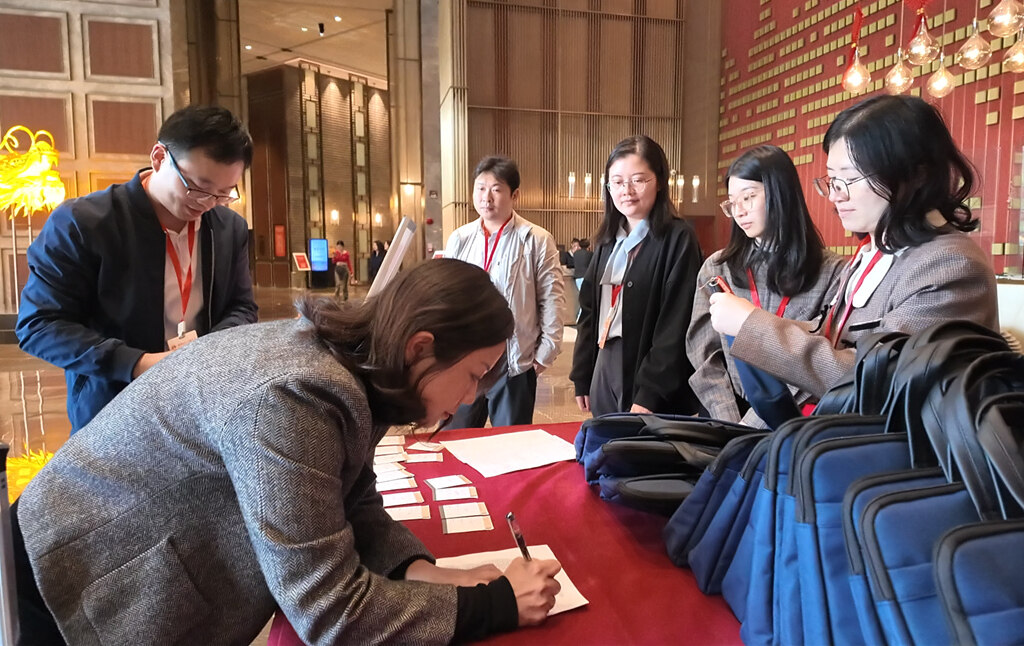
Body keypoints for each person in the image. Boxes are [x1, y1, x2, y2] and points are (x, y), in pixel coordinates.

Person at [13, 259, 562, 645]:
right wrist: (495, 606)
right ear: (420, 347)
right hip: (69, 583)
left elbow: (352, 497)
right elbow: (331, 611)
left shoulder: (350, 367)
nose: (469, 398)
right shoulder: (296, 396)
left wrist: (421, 572)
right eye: (473, 375)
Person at [710, 95, 999, 397]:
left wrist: (752, 325)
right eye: (832, 181)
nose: (836, 196)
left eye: (848, 179)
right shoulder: (874, 251)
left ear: (915, 175)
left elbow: (876, 382)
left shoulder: (949, 265)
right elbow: (830, 335)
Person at [16, 105, 258, 433]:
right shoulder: (83, 223)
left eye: (223, 194)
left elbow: (242, 307)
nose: (206, 203)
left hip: (201, 403)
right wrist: (139, 364)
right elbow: (40, 325)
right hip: (112, 408)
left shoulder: (229, 228)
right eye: (197, 187)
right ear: (159, 157)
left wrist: (205, 354)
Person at [686, 145, 844, 427]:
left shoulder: (831, 271)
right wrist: (729, 423)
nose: (739, 211)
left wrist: (754, 424)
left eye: (748, 197)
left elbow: (817, 360)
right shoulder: (717, 267)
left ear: (780, 194)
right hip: (727, 415)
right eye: (732, 202)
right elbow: (704, 354)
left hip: (792, 419)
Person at [570, 135, 704, 417]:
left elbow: (676, 323)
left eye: (638, 180)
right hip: (605, 359)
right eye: (617, 182)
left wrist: (651, 393)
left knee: (638, 442)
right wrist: (582, 373)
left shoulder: (678, 239)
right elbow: (589, 312)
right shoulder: (608, 241)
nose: (626, 191)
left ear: (660, 181)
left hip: (649, 370)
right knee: (605, 438)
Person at [443, 155, 564, 428]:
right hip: (465, 361)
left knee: (511, 442)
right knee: (457, 438)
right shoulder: (460, 239)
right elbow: (447, 298)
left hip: (512, 363)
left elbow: (552, 299)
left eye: (496, 189)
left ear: (514, 195)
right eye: (480, 188)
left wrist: (545, 353)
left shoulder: (536, 239)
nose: (486, 197)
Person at [571, 238, 593, 321]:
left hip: (577, 277)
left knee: (582, 297)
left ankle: (580, 317)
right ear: (589, 246)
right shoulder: (590, 254)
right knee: (585, 299)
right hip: (586, 277)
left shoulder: (575, 254)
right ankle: (580, 318)